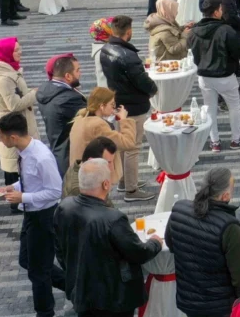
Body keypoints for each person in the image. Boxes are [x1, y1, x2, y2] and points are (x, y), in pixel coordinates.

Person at [54, 157, 162, 317]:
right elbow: (138, 252)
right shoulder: (113, 219)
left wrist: (73, 273)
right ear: (105, 184)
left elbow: (59, 249)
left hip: (81, 290)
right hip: (113, 299)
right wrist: (155, 243)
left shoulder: (64, 207)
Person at [0, 113, 67, 317]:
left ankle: (46, 316)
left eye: (2, 137)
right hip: (32, 215)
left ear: (13, 137)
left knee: (38, 270)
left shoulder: (41, 156)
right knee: (28, 261)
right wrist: (10, 187)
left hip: (43, 216)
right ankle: (73, 287)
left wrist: (22, 197)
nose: (1, 141)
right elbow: (31, 181)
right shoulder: (26, 152)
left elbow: (54, 190)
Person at [166, 167, 240, 317]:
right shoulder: (230, 228)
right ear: (224, 197)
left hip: (188, 300)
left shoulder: (179, 209)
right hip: (220, 310)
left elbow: (171, 243)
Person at [99, 15, 158, 202]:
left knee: (123, 145)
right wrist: (153, 89)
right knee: (132, 147)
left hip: (118, 104)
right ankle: (132, 190)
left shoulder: (105, 49)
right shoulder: (129, 56)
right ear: (129, 31)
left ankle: (125, 181)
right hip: (134, 106)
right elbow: (142, 80)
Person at [191, 0, 240, 153]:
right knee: (234, 107)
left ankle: (215, 142)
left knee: (210, 109)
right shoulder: (226, 30)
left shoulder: (194, 30)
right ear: (217, 12)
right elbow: (238, 51)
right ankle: (236, 139)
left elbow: (192, 51)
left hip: (204, 76)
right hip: (225, 75)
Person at [0, 38, 40, 195]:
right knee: (15, 166)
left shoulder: (9, 71)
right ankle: (15, 200)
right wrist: (34, 93)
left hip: (15, 125)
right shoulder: (3, 78)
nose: (20, 52)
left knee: (19, 163)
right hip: (12, 127)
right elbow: (14, 105)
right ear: (6, 53)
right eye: (16, 50)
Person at [67, 87, 138, 189]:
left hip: (81, 174)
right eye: (112, 104)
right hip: (95, 179)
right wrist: (124, 120)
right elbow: (128, 143)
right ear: (101, 106)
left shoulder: (80, 119)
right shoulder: (98, 125)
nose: (114, 108)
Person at [36, 54, 86, 176]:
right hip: (71, 155)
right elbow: (92, 120)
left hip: (58, 150)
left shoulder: (46, 89)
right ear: (68, 76)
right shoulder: (69, 99)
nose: (81, 73)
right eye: (77, 70)